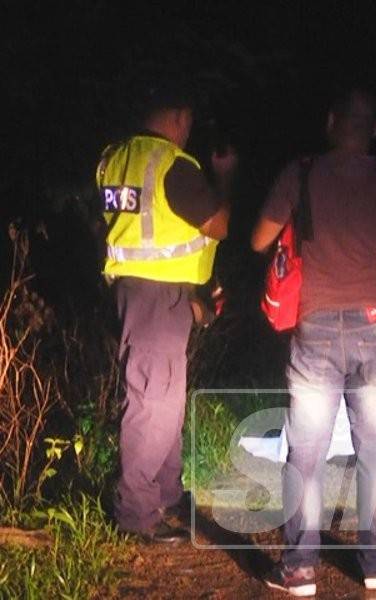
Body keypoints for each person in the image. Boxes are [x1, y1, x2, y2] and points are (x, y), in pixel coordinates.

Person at [251, 88, 376, 596]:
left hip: (315, 328)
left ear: (331, 122)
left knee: (306, 452)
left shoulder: (300, 173)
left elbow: (258, 240)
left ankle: (299, 569)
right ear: (375, 130)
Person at [97, 79, 235, 543]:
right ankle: (135, 513)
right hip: (158, 297)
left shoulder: (115, 158)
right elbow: (218, 222)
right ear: (177, 117)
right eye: (189, 121)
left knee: (165, 398)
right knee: (153, 401)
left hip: (140, 291)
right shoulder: (172, 165)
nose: (189, 130)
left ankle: (168, 493)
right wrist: (225, 177)